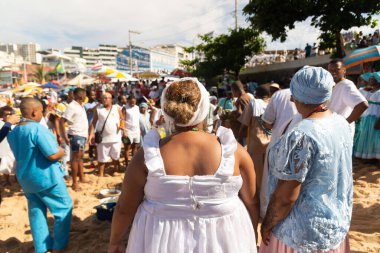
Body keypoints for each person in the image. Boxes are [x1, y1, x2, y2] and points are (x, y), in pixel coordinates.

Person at [108, 78, 259, 253]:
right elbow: (252, 202)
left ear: (167, 109)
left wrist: (115, 241)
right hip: (226, 240)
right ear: (204, 109)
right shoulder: (234, 150)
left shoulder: (147, 154)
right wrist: (252, 235)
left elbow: (124, 208)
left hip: (160, 240)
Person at [260, 66, 352, 253]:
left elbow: (285, 197)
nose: (292, 99)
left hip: (300, 235)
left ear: (300, 97)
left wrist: (267, 224)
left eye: (294, 95)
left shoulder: (301, 135)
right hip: (335, 227)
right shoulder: (340, 122)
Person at [7, 98, 72, 253]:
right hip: (46, 178)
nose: (42, 115)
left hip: (26, 179)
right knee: (64, 209)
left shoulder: (14, 131)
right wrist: (62, 150)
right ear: (34, 112)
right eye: (42, 112)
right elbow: (52, 155)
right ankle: (59, 246)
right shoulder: (37, 129)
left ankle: (41, 247)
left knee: (36, 213)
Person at [238, 85, 271, 228]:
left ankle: (258, 211)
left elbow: (244, 124)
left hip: (255, 147)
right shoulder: (272, 104)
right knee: (267, 177)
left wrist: (237, 138)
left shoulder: (253, 103)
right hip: (270, 145)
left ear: (256, 94)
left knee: (256, 179)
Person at [328, 59, 368, 135]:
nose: (333, 72)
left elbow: (363, 105)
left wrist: (345, 123)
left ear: (344, 70)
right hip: (333, 130)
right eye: (330, 70)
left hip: (341, 132)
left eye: (337, 69)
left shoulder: (346, 85)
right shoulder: (333, 84)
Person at [60, 88, 89, 191]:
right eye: (84, 93)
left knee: (80, 157)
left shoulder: (80, 106)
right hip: (75, 134)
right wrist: (64, 136)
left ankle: (81, 177)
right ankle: (74, 182)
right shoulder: (72, 106)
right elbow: (62, 121)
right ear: (80, 95)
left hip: (82, 135)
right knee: (75, 159)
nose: (85, 95)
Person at [89, 92, 123, 177]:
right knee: (101, 157)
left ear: (111, 99)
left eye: (107, 98)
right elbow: (93, 123)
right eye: (103, 98)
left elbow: (122, 118)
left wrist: (121, 127)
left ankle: (115, 170)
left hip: (116, 137)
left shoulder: (117, 108)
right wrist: (91, 135)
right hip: (103, 138)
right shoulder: (98, 110)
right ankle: (101, 173)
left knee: (116, 155)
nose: (104, 99)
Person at [354, 72, 380, 163]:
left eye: (372, 78)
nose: (370, 79)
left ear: (378, 79)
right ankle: (368, 156)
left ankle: (375, 156)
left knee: (375, 138)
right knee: (366, 136)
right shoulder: (370, 90)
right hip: (367, 116)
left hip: (375, 116)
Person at [122, 95, 141, 166]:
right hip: (128, 131)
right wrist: (124, 131)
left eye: (134, 102)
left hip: (136, 130)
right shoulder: (125, 108)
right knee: (127, 147)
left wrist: (139, 129)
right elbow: (122, 120)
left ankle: (133, 163)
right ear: (128, 101)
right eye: (131, 102)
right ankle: (126, 163)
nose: (133, 103)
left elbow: (137, 119)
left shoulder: (137, 107)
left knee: (135, 147)